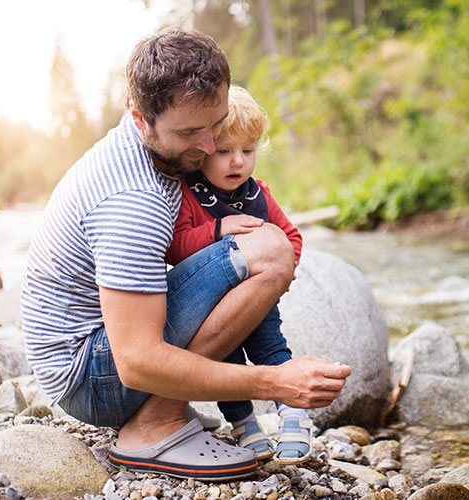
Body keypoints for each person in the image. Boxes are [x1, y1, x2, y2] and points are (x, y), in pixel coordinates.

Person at [20, 28, 350, 481]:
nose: (210, 147)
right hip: (91, 378)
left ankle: (163, 412)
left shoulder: (157, 148)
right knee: (270, 251)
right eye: (192, 132)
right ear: (141, 119)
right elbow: (136, 362)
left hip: (96, 351)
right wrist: (276, 381)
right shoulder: (134, 201)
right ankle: (153, 427)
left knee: (269, 245)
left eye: (215, 124)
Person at [165, 85, 310, 464]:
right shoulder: (189, 195)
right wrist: (218, 229)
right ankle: (245, 425)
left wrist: (281, 273)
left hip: (258, 298)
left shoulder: (258, 193)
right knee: (225, 363)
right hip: (212, 306)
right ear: (203, 151)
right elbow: (175, 246)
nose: (237, 163)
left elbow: (290, 237)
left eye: (248, 151)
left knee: (272, 350)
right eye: (225, 151)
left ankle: (293, 416)